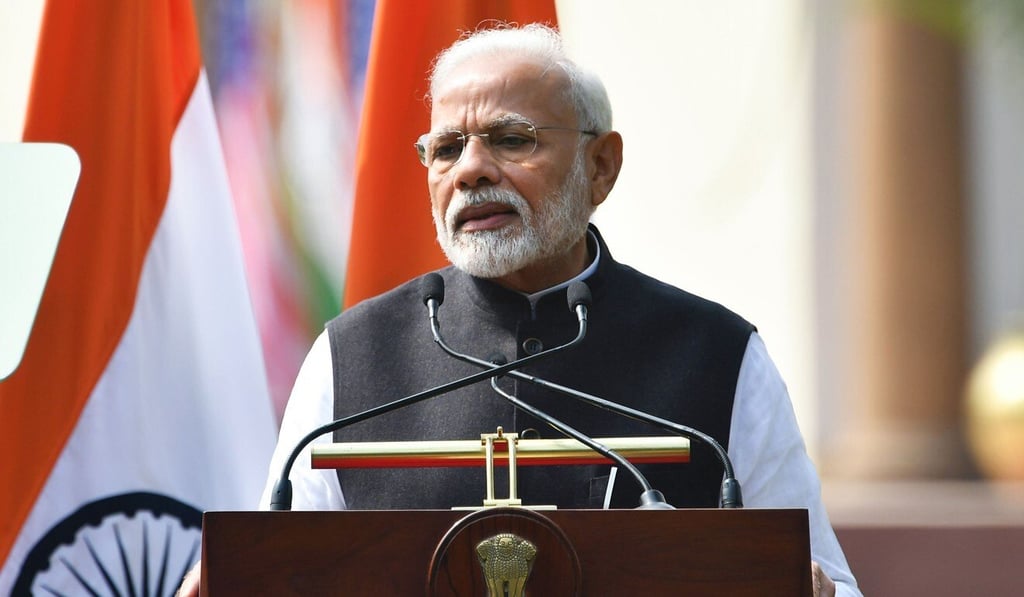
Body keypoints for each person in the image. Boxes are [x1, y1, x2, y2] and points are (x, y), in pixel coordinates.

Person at [180, 22, 858, 596]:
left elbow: (824, 579)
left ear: (601, 166)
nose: (470, 169)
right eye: (445, 148)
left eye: (510, 139)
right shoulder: (351, 355)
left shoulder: (716, 354)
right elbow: (272, 566)